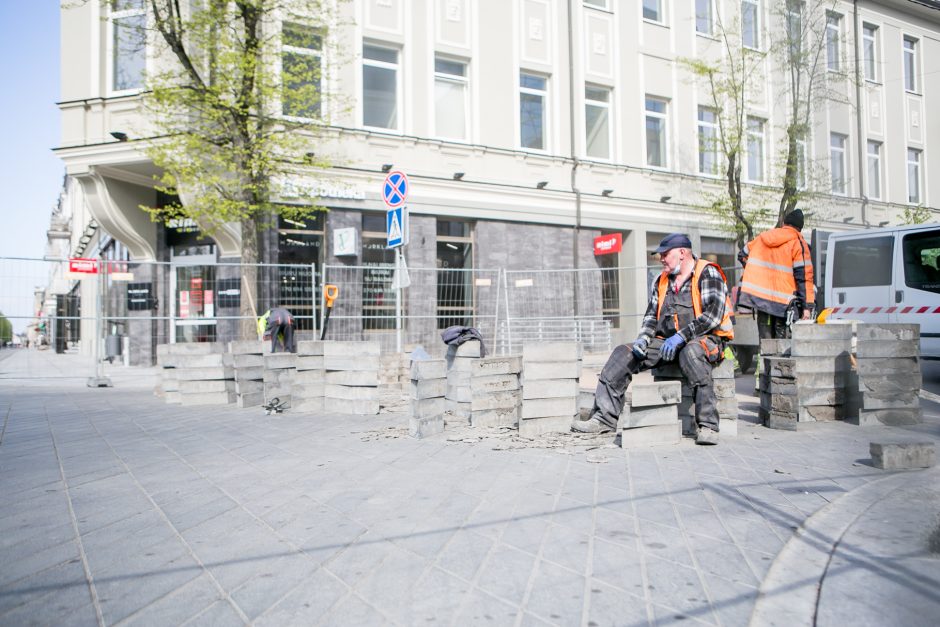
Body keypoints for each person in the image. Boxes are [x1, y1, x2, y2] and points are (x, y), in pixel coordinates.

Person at [572, 233, 734, 445]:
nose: (661, 259)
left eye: (666, 254)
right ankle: (604, 418)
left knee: (691, 352)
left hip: (706, 340)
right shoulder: (662, 280)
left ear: (683, 253)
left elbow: (712, 315)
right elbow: (651, 317)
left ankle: (708, 425)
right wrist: (643, 340)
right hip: (667, 343)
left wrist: (680, 338)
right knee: (623, 354)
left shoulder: (707, 273)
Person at [737, 208, 814, 340]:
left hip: (761, 302)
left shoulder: (763, 238)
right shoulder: (798, 243)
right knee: (783, 348)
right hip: (784, 306)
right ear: (799, 228)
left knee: (767, 345)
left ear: (784, 223)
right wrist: (807, 307)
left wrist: (758, 274)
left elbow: (742, 255)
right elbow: (804, 277)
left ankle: (767, 361)